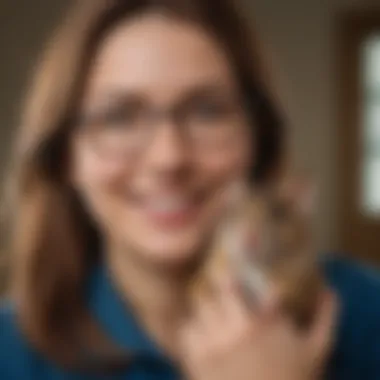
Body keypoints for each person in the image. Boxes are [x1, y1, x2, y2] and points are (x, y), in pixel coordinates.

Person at [0, 0, 379, 379]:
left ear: (257, 139)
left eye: (207, 111)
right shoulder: (10, 353)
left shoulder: (363, 311)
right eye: (119, 117)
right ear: (67, 156)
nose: (169, 158)